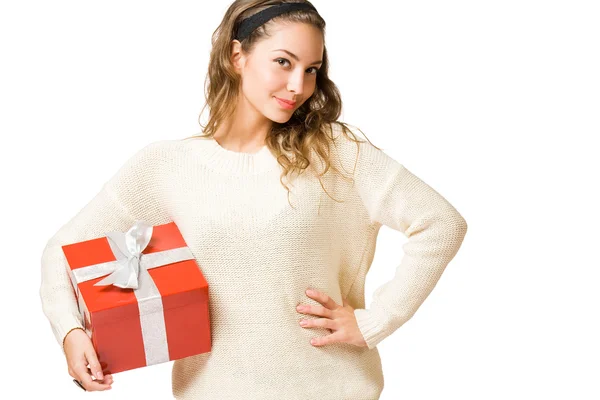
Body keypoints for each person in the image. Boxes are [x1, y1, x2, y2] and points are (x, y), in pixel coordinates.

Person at [39, 1, 468, 399]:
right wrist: (71, 332)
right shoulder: (167, 165)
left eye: (312, 69)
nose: (298, 85)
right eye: (283, 62)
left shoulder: (335, 151)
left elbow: (440, 222)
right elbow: (62, 250)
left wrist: (376, 321)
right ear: (236, 56)